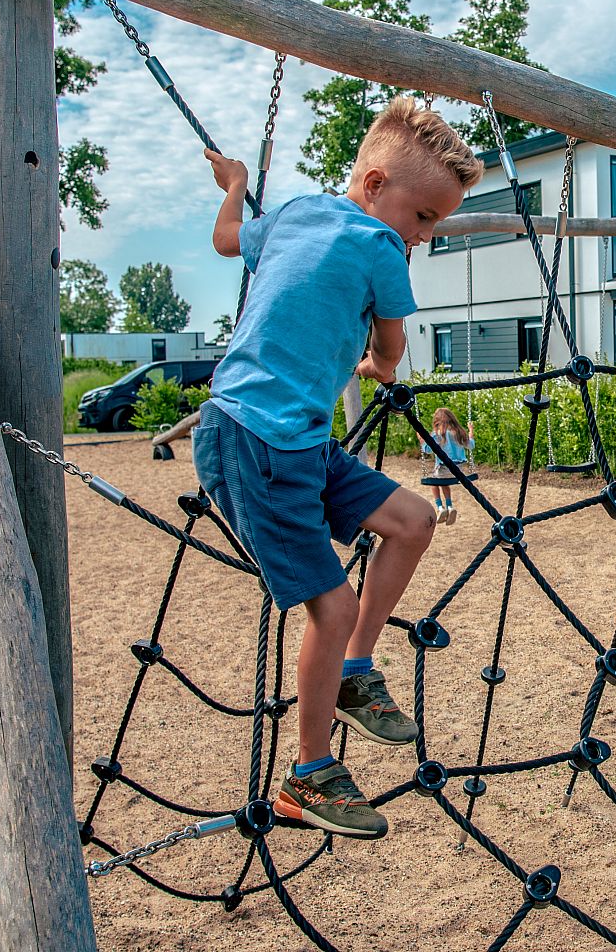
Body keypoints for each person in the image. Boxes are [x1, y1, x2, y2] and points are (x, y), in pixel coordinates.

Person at [194, 96, 482, 840]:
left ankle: (356, 674)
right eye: (424, 219)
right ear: (377, 182)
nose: (423, 237)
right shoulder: (382, 250)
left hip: (288, 438)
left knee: (414, 520)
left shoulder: (291, 213)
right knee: (332, 605)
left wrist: (231, 182)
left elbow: (229, 239)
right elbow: (391, 347)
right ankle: (309, 774)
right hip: (256, 440)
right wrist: (379, 365)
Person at [424, 407, 473, 524]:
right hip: (458, 470)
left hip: (443, 468)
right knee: (444, 482)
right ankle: (450, 507)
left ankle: (440, 507)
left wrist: (422, 439)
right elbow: (471, 445)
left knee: (434, 482)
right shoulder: (459, 432)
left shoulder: (437, 434)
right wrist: (471, 431)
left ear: (437, 421)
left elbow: (427, 450)